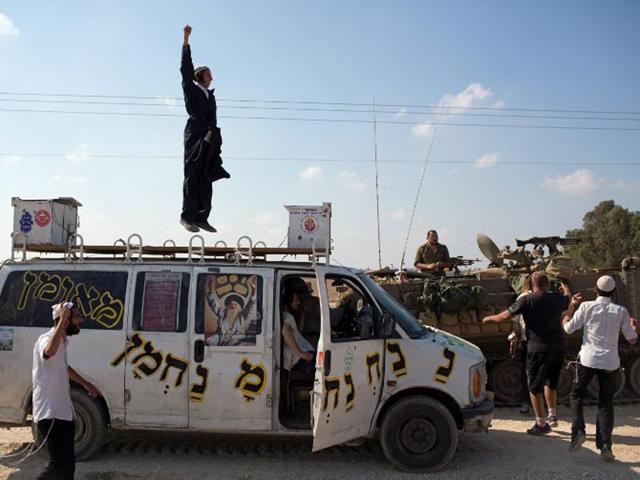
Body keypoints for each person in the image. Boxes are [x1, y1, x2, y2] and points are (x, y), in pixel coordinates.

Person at [483, 271, 571, 435]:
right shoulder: (557, 298)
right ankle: (552, 414)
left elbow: (505, 316)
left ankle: (541, 423)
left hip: (537, 349)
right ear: (547, 284)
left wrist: (489, 319)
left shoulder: (526, 299)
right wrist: (566, 288)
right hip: (558, 347)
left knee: (534, 387)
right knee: (551, 383)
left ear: (532, 284)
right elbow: (568, 298)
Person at [563, 275, 638, 461]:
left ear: (595, 290)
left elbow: (568, 329)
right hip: (610, 363)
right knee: (605, 403)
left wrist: (569, 312)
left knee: (576, 395)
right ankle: (605, 446)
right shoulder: (621, 311)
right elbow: (632, 339)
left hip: (588, 360)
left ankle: (578, 431)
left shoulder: (586, 306)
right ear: (613, 292)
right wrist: (634, 327)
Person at [32, 302, 100, 480]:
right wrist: (62, 319)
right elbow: (48, 352)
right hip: (51, 413)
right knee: (59, 466)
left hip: (62, 412)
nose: (81, 320)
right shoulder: (46, 340)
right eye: (76, 317)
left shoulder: (61, 343)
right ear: (65, 319)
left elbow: (63, 368)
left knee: (68, 467)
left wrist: (86, 384)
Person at [180, 24, 230, 233]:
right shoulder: (192, 89)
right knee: (193, 174)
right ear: (200, 75)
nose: (211, 75)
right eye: (207, 72)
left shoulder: (211, 96)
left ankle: (202, 217)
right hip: (195, 133)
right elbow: (184, 68)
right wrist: (185, 40)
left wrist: (215, 139)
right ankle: (187, 217)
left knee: (206, 176)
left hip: (210, 135)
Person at [204, 276, 259, 346]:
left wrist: (254, 291)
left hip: (235, 339)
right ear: (227, 306)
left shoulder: (241, 316)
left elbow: (250, 305)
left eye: (235, 304)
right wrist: (211, 288)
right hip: (221, 338)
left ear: (238, 307)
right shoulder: (222, 313)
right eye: (231, 304)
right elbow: (213, 303)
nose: (233, 306)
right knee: (209, 341)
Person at [281, 288, 315, 377]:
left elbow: (296, 334)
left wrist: (303, 315)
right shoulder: (287, 317)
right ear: (289, 302)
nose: (298, 302)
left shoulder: (287, 316)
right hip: (299, 360)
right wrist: (301, 354)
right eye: (295, 300)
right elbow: (285, 330)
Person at [511, 275, 532, 414]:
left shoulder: (523, 298)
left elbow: (514, 319)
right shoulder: (523, 298)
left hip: (528, 340)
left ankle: (526, 402)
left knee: (527, 372)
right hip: (533, 340)